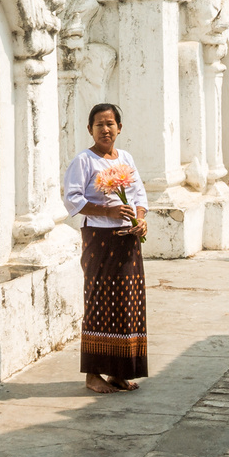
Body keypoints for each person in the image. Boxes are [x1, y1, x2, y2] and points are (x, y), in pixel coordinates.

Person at [62, 102, 149, 393]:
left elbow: (139, 194)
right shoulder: (84, 161)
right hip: (100, 240)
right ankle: (93, 375)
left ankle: (119, 371)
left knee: (127, 304)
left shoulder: (125, 158)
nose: (105, 129)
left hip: (127, 240)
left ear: (119, 128)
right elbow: (72, 199)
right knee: (100, 302)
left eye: (110, 124)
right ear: (90, 129)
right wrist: (106, 211)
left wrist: (141, 220)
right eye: (99, 124)